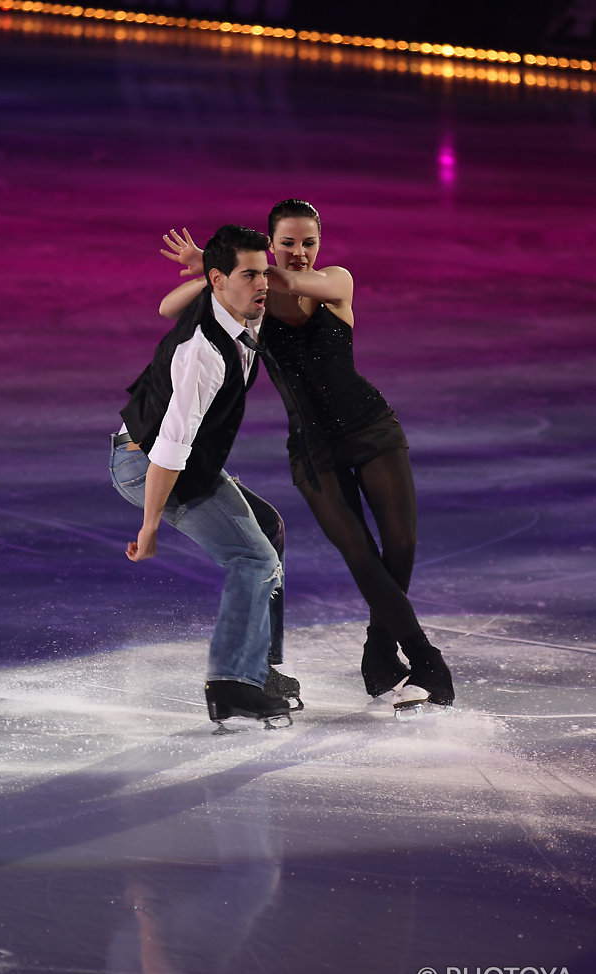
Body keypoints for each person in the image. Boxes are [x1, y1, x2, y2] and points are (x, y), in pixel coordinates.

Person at [159, 201, 455, 710]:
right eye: (288, 243)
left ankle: (379, 651)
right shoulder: (252, 300)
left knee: (400, 544)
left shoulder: (336, 281)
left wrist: (234, 266)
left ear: (321, 244)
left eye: (309, 242)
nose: (299, 253)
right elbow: (169, 309)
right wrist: (220, 271)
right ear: (272, 243)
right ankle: (428, 664)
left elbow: (296, 286)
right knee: (359, 552)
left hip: (371, 428)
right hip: (313, 449)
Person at [110, 224, 302, 729]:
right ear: (220, 281)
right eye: (250, 275)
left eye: (264, 273)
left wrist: (206, 268)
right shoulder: (203, 353)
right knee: (252, 556)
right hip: (147, 461)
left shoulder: (238, 308)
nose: (264, 284)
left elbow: (166, 307)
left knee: (269, 528)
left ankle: (256, 668)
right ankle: (232, 684)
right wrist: (150, 527)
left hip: (187, 460)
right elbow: (170, 450)